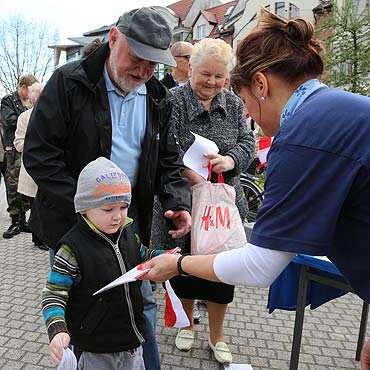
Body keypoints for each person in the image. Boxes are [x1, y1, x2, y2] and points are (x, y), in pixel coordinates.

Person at [140, 7, 370, 369]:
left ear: (260, 85)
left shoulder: (300, 137)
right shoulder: (342, 110)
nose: (250, 115)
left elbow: (261, 266)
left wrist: (179, 263)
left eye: (244, 99)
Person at [23, 7, 191, 370]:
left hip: (128, 224)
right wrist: (87, 210)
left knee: (140, 302)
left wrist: (177, 200)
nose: (144, 71)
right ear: (115, 38)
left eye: (153, 64)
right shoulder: (69, 83)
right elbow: (39, 155)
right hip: (74, 223)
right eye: (138, 58)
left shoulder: (157, 96)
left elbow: (169, 160)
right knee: (81, 306)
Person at [150, 37, 255, 364]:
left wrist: (232, 160)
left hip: (222, 204)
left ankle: (217, 335)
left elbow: (247, 141)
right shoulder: (172, 101)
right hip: (182, 200)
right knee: (182, 267)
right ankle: (186, 326)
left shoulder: (234, 103)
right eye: (204, 74)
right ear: (190, 68)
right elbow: (163, 148)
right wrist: (190, 174)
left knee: (222, 271)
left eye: (219, 76)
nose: (211, 82)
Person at [42, 157, 168, 369]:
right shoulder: (71, 249)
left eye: (123, 207)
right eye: (108, 209)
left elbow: (146, 255)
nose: (118, 217)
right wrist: (57, 330)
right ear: (83, 208)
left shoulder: (128, 234)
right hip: (95, 348)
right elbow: (53, 294)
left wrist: (171, 257)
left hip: (132, 342)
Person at [1, 74, 38, 239]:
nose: (30, 95)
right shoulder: (9, 101)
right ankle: (16, 221)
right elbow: (9, 120)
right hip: (13, 149)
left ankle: (25, 221)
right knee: (13, 185)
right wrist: (27, 118)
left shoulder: (30, 102)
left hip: (29, 148)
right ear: (23, 87)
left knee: (27, 185)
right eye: (29, 90)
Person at [13, 82, 47, 251]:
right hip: (33, 168)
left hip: (50, 167)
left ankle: (45, 236)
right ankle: (38, 238)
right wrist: (36, 145)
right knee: (36, 205)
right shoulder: (24, 118)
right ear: (33, 97)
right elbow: (18, 143)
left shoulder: (53, 114)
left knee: (47, 205)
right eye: (39, 93)